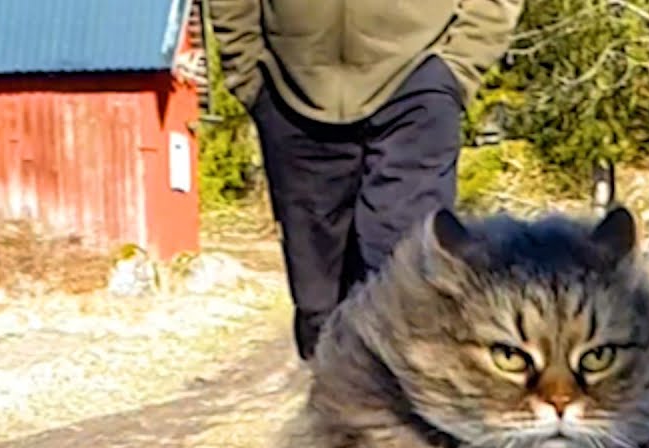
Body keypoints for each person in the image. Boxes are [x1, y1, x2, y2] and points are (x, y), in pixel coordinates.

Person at [208, 0, 525, 362]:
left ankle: (402, 409)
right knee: (318, 304)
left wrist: (459, 66)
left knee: (403, 273)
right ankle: (334, 406)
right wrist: (248, 72)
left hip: (418, 75)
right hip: (290, 86)